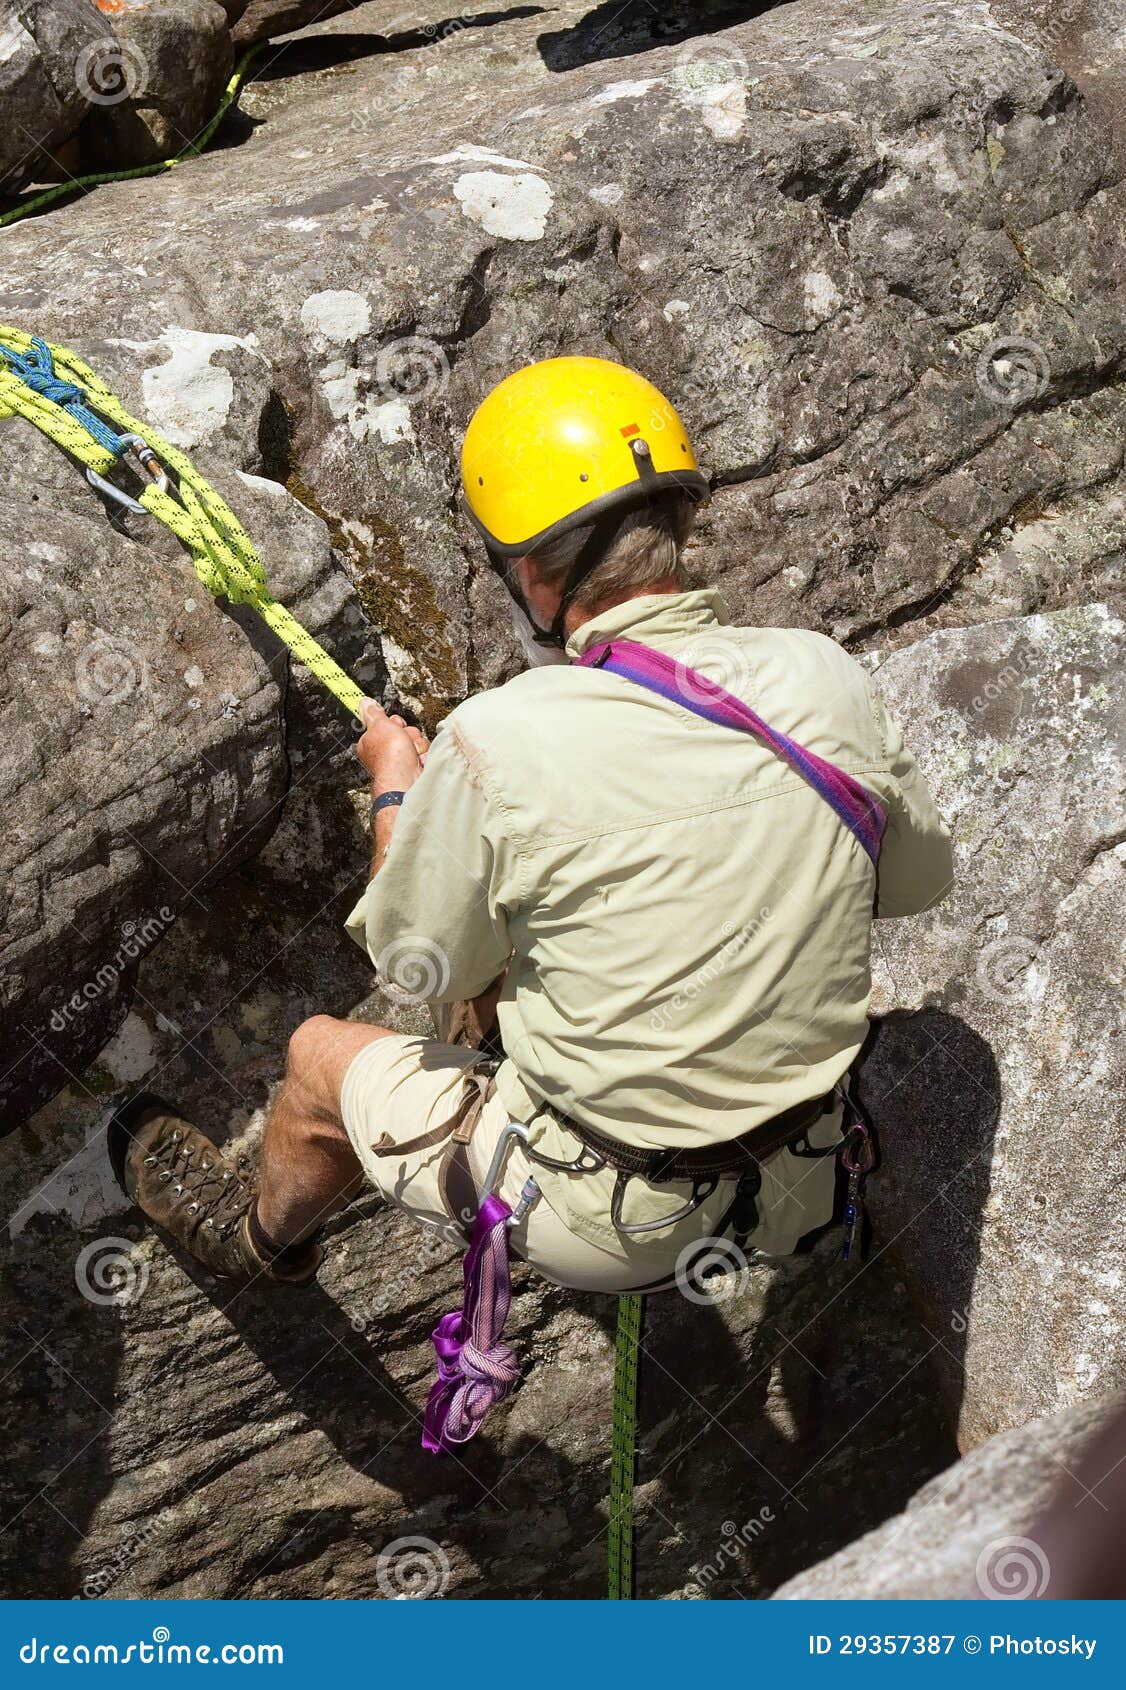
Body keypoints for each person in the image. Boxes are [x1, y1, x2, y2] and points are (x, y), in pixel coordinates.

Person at [108, 355, 953, 1299]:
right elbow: (914, 884)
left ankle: (255, 1242)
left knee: (317, 1058)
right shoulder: (824, 673)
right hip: (801, 1173)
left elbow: (419, 959)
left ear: (530, 575)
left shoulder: (500, 735)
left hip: (615, 1223)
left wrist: (400, 793)